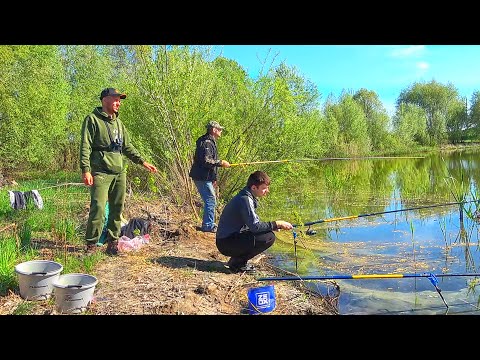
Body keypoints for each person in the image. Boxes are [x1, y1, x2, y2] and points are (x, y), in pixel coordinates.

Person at [80, 87, 158, 255]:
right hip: (100, 172)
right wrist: (86, 170)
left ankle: (113, 243)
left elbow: (127, 147)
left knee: (117, 208)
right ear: (105, 99)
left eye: (119, 99)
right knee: (98, 208)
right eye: (115, 99)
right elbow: (85, 145)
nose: (118, 102)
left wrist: (142, 161)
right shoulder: (92, 120)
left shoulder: (119, 123)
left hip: (119, 171)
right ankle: (91, 245)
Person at [216, 170, 293, 273]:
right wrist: (276, 223)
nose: (267, 191)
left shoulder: (246, 196)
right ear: (253, 187)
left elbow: (251, 225)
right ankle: (238, 264)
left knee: (267, 233)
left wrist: (273, 227)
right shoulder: (245, 200)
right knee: (269, 237)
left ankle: (236, 261)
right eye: (264, 188)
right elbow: (255, 227)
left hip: (228, 239)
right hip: (226, 243)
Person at [189, 120, 230, 233]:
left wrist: (213, 178)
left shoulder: (209, 141)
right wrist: (221, 162)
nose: (221, 131)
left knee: (210, 200)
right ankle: (208, 226)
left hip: (205, 177)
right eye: (219, 129)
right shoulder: (207, 142)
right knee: (211, 200)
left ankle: (209, 224)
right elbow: (206, 161)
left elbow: (207, 162)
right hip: (201, 177)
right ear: (214, 130)